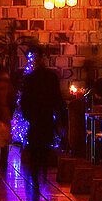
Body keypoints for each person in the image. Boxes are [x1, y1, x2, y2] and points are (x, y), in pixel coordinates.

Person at [19, 53, 66, 187]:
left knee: (34, 146)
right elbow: (58, 98)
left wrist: (28, 116)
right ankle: (43, 172)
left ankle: (35, 173)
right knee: (45, 146)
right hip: (47, 117)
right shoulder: (51, 78)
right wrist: (61, 118)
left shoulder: (30, 78)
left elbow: (24, 100)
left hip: (35, 118)